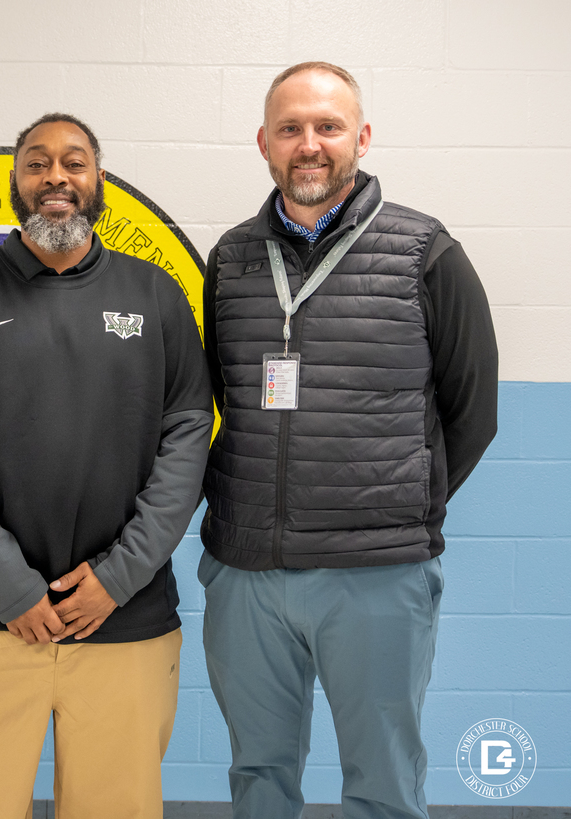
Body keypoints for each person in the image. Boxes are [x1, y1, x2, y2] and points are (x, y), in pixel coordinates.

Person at [200, 62, 499, 819]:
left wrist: (395, 507)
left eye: (328, 126)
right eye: (292, 128)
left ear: (360, 138)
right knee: (259, 775)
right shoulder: (231, 259)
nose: (310, 144)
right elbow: (219, 399)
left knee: (383, 782)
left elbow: (473, 409)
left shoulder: (426, 252)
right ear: (264, 142)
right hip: (248, 574)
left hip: (376, 575)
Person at [0, 113, 213, 819]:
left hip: (125, 617)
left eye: (73, 162)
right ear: (14, 182)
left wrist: (117, 576)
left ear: (98, 181)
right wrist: (10, 584)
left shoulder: (155, 294)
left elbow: (188, 435)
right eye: (37, 163)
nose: (56, 178)